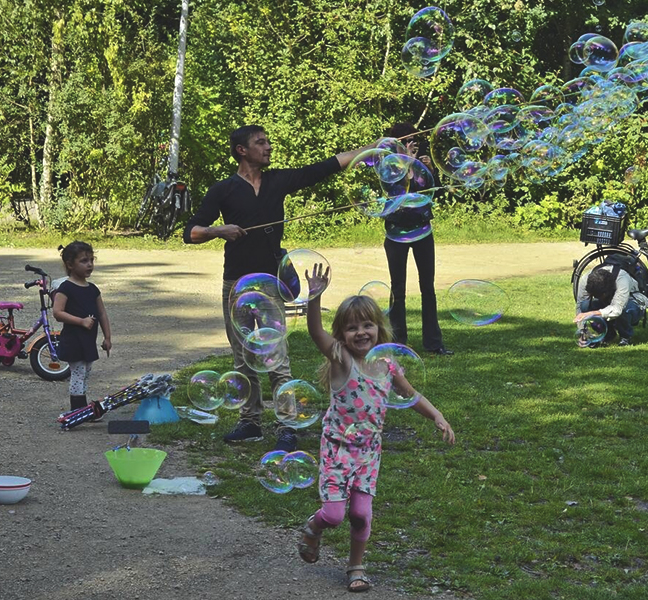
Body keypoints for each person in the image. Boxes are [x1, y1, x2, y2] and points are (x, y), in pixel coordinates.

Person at [183, 125, 373, 452]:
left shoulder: (277, 181)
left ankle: (287, 423)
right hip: (236, 285)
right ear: (242, 150)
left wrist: (371, 149)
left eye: (268, 142)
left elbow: (325, 167)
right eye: (261, 143)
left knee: (276, 358)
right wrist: (220, 229)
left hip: (270, 284)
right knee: (243, 358)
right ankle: (250, 422)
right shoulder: (224, 189)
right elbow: (191, 233)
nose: (268, 147)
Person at [297, 263, 455, 592]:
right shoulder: (342, 360)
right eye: (352, 327)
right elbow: (315, 333)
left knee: (361, 514)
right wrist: (314, 298)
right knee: (334, 515)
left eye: (367, 325)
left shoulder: (387, 366)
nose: (361, 332)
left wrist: (437, 415)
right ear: (341, 335)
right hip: (337, 450)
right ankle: (314, 526)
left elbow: (411, 396)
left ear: (378, 328)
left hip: (368, 453)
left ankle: (356, 566)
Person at [382, 123, 452, 356]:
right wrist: (407, 161)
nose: (411, 144)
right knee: (398, 289)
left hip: (422, 230)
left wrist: (430, 169)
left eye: (413, 139)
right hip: (396, 232)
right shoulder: (388, 166)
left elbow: (430, 192)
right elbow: (397, 192)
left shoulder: (419, 165)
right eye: (406, 140)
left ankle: (433, 342)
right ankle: (399, 341)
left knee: (428, 288)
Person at [52, 241, 113, 412]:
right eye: (84, 261)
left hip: (87, 340)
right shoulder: (66, 288)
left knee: (85, 373)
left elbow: (102, 314)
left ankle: (83, 409)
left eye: (92, 260)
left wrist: (107, 338)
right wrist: (81, 321)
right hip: (73, 340)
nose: (90, 265)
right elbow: (57, 312)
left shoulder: (93, 289)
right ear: (70, 265)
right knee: (78, 374)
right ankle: (77, 410)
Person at [574, 264, 648, 346]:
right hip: (609, 303)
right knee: (584, 305)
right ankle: (607, 334)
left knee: (625, 310)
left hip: (631, 302)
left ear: (606, 291)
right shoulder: (585, 279)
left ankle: (625, 336)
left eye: (599, 295)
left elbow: (617, 309)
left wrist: (593, 313)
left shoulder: (622, 279)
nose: (596, 297)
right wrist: (582, 331)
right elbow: (580, 305)